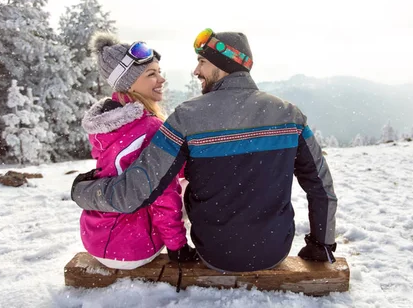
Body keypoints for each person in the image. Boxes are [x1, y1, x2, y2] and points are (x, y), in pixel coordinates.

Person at [72, 29, 338, 272]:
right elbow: (320, 184)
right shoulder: (290, 114)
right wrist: (321, 243)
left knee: (177, 179)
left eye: (202, 62)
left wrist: (83, 191)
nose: (196, 71)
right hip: (274, 251)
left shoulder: (187, 117)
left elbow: (137, 190)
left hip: (215, 253)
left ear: (223, 65)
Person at [78, 33, 196, 269]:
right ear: (128, 83)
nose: (161, 79)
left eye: (159, 72)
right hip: (131, 248)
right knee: (188, 188)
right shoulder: (150, 127)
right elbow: (163, 194)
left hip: (97, 239)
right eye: (151, 74)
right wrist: (177, 247)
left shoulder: (109, 121)